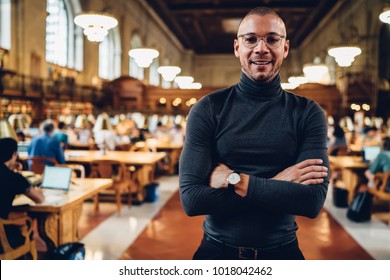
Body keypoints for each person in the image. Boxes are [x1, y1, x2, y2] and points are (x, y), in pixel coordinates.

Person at [179, 7, 329, 260]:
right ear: (237, 48)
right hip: (216, 253)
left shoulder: (308, 113)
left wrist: (236, 180)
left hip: (283, 254)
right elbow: (193, 200)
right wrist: (279, 184)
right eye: (250, 39)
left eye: (272, 39)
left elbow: (311, 201)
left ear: (285, 47)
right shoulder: (208, 109)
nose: (261, 48)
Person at [0, 138, 44, 251]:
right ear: (14, 154)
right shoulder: (14, 178)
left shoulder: (11, 175)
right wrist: (38, 191)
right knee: (28, 222)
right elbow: (39, 199)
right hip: (4, 238)